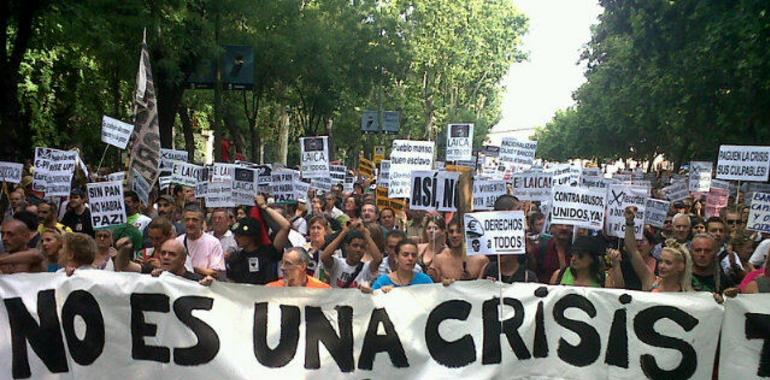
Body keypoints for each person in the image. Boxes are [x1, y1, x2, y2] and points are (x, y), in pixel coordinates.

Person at [114, 237, 214, 285]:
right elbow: (124, 267)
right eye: (163, 253)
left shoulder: (195, 280)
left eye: (172, 254)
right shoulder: (151, 271)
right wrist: (124, 250)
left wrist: (205, 287)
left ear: (183, 260)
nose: (166, 257)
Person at [321, 219, 383, 289]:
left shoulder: (366, 268)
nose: (358, 249)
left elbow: (378, 260)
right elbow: (324, 257)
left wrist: (365, 233)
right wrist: (343, 232)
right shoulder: (337, 263)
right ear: (347, 247)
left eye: (362, 247)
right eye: (355, 245)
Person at [428, 217, 488, 283]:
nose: (454, 235)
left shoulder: (481, 260)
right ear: (447, 234)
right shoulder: (439, 259)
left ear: (466, 234)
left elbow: (484, 287)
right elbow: (434, 286)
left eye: (459, 231)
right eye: (451, 231)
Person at [227, 216, 283, 285]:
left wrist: (265, 208)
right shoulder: (235, 258)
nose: (235, 238)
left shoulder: (268, 252)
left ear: (252, 236)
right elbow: (231, 281)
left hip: (267, 293)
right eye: (235, 235)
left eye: (240, 235)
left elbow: (285, 227)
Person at [176, 203, 225, 278]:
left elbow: (215, 273)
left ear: (202, 223)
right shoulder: (177, 242)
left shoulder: (213, 242)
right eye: (187, 220)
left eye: (194, 220)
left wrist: (191, 269)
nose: (190, 223)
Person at [266, 247, 330, 288]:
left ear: (302, 266)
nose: (282, 268)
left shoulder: (321, 289)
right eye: (282, 263)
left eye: (288, 264)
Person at [304, 215, 331, 281]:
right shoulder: (304, 247)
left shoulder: (331, 249)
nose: (315, 231)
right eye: (313, 228)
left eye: (319, 228)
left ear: (325, 231)